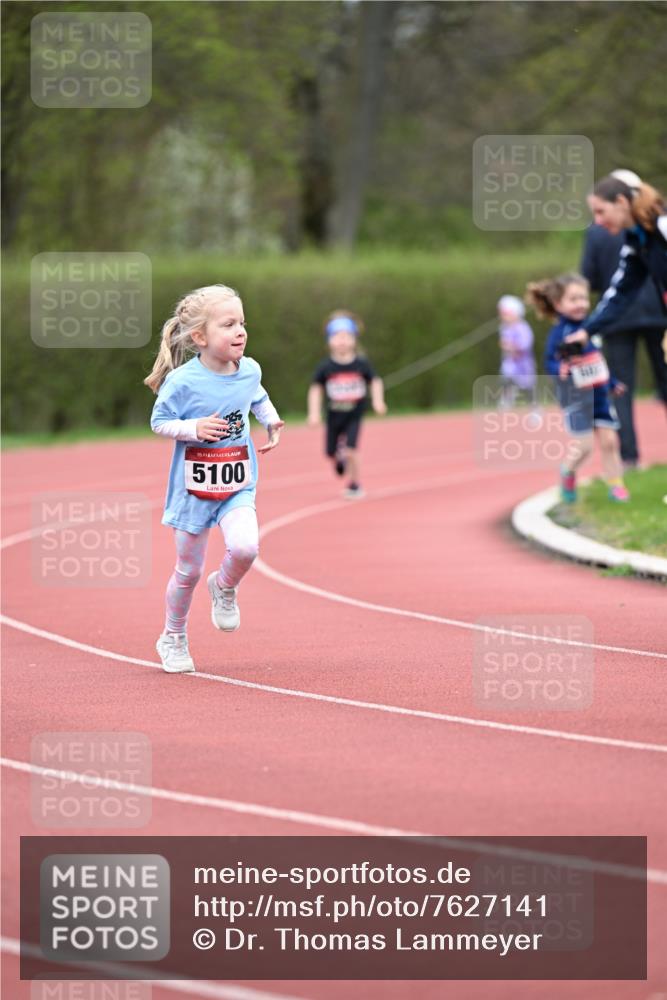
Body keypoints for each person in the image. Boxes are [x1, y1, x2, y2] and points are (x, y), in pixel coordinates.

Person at [144, 284, 283, 674]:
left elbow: (256, 394)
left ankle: (223, 587)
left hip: (237, 482)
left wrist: (270, 419)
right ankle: (173, 637)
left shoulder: (249, 368)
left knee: (245, 548)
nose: (240, 331)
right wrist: (193, 428)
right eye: (228, 325)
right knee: (187, 571)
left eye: (242, 322)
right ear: (201, 337)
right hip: (193, 490)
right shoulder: (183, 382)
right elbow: (159, 422)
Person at [580, 169, 667, 467]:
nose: (599, 221)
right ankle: (630, 460)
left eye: (601, 211)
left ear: (621, 201)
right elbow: (622, 290)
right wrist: (586, 330)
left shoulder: (662, 225)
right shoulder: (638, 239)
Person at [525, 273, 629, 504]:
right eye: (573, 299)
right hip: (576, 400)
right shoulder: (559, 334)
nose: (581, 303)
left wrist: (612, 383)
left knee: (610, 442)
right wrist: (558, 369)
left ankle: (616, 486)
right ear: (558, 304)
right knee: (585, 447)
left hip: (600, 397)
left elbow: (597, 361)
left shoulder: (592, 329)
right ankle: (568, 470)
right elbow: (550, 360)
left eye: (583, 298)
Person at [307, 310, 386, 499]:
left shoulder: (361, 364)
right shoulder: (326, 367)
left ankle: (354, 484)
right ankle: (338, 458)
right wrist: (314, 413)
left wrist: (378, 401)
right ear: (329, 341)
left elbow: (375, 381)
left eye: (347, 336)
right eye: (337, 336)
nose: (342, 341)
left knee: (352, 449)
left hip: (354, 415)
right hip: (333, 416)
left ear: (354, 339)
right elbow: (316, 389)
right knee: (330, 453)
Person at [497, 294, 537, 408]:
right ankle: (507, 399)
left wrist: (513, 347)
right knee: (506, 379)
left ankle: (534, 407)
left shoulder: (522, 327)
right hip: (510, 363)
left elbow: (526, 344)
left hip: (523, 364)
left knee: (527, 386)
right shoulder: (504, 327)